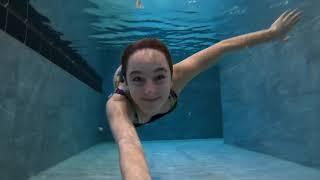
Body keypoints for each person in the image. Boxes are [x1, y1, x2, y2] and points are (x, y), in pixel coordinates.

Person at [105, 9, 302, 180]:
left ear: (171, 74)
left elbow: (222, 47)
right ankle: (125, 72)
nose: (150, 90)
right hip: (123, 80)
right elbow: (128, 143)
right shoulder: (118, 105)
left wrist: (272, 33)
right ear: (128, 82)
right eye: (138, 79)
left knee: (145, 69)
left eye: (159, 77)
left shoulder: (178, 76)